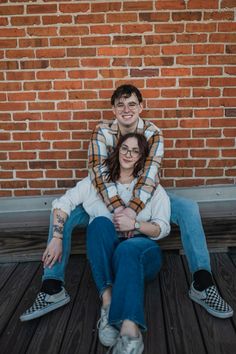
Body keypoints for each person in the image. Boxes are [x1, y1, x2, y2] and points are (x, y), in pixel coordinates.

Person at [20, 84, 233, 324]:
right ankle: (52, 286)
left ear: (142, 107)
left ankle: (202, 282)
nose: (126, 109)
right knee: (62, 210)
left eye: (132, 104)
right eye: (120, 104)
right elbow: (99, 175)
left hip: (144, 194)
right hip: (103, 196)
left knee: (188, 208)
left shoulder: (153, 132)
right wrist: (118, 211)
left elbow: (150, 174)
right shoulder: (101, 132)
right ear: (113, 109)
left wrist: (131, 214)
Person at [21, 133, 171, 354]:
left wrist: (136, 224)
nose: (128, 154)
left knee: (128, 248)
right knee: (100, 223)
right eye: (124, 148)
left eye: (135, 151)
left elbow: (162, 228)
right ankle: (108, 305)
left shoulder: (151, 189)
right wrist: (56, 237)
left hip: (141, 251)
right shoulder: (96, 183)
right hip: (107, 256)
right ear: (117, 150)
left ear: (142, 158)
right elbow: (63, 203)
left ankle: (130, 333)